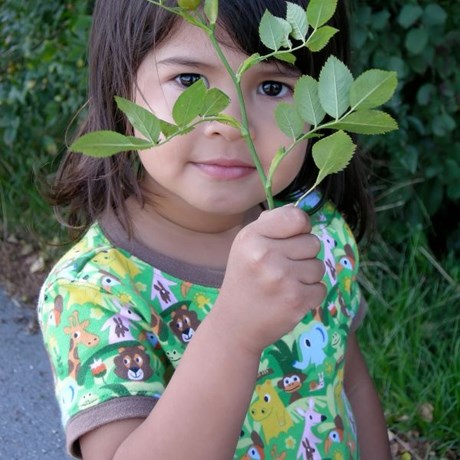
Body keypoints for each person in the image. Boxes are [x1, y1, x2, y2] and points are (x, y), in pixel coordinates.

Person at [38, 0, 391, 458]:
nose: (234, 125)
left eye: (271, 85)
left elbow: (352, 385)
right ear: (119, 87)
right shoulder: (91, 293)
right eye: (189, 81)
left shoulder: (316, 233)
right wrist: (234, 332)